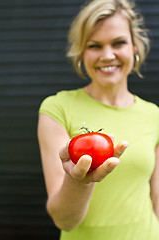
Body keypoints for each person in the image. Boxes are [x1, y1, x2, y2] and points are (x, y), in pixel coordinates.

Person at [37, 0, 159, 239]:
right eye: (94, 46)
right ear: (82, 52)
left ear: (135, 46)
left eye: (118, 43)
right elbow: (64, 220)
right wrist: (78, 182)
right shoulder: (57, 108)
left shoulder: (154, 115)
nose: (107, 55)